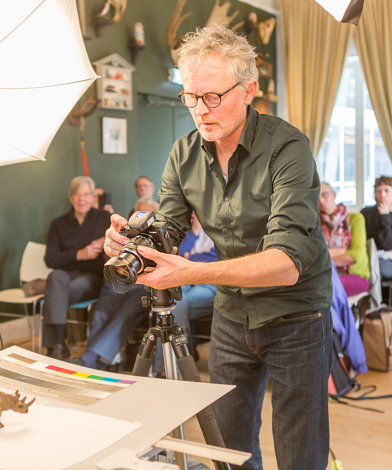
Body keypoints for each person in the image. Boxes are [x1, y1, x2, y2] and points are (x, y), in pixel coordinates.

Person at [104, 24, 333, 470]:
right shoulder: (184, 153)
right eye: (190, 97)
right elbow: (168, 227)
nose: (200, 111)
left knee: (299, 452)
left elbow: (286, 264)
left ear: (249, 90)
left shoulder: (288, 148)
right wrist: (135, 240)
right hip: (232, 315)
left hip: (296, 315)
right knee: (228, 449)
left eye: (213, 97)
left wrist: (188, 272)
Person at [67, 197, 159, 370]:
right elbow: (108, 259)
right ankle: (95, 361)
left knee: (125, 314)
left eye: (149, 215)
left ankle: (92, 360)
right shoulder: (125, 233)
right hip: (121, 281)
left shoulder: (162, 236)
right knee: (100, 314)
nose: (143, 219)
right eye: (139, 214)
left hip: (146, 287)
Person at [42, 176, 110, 360]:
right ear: (71, 198)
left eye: (86, 194)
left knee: (54, 290)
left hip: (92, 278)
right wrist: (79, 254)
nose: (82, 199)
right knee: (55, 278)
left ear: (92, 197)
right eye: (77, 195)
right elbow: (50, 259)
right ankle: (58, 345)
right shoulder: (58, 224)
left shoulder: (104, 218)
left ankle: (55, 347)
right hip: (64, 276)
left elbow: (121, 239)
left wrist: (106, 240)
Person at [152, 212, 217, 374]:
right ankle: (172, 362)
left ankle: (164, 367)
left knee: (176, 304)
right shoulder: (189, 227)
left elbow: (218, 262)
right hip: (186, 280)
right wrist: (195, 231)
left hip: (210, 283)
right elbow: (177, 254)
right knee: (165, 296)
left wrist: (192, 259)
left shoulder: (220, 228)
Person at [319, 182, 370, 296]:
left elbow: (355, 255)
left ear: (334, 195)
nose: (321, 201)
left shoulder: (355, 218)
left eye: (325, 194)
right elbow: (313, 254)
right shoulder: (315, 223)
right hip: (326, 275)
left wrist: (323, 260)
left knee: (322, 287)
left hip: (354, 274)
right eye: (316, 197)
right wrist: (341, 251)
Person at [361, 176, 392, 280]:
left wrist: (384, 216)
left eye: (387, 190)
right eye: (379, 191)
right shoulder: (366, 213)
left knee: (375, 268)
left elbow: (388, 246)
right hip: (367, 256)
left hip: (388, 262)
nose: (382, 195)